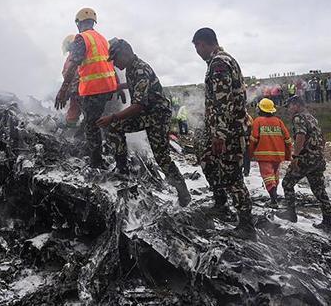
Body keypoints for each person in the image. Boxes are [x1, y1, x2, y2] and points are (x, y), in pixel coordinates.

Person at [97, 38, 191, 206]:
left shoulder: (140, 69)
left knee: (161, 157)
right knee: (115, 128)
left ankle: (183, 193)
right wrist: (121, 87)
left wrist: (113, 117)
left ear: (125, 54)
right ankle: (122, 170)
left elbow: (138, 105)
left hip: (157, 116)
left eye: (115, 59)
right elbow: (136, 85)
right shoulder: (131, 67)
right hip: (147, 113)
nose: (115, 64)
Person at [192, 27, 255, 239]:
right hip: (221, 128)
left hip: (229, 131)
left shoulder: (219, 63)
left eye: (197, 47)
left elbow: (223, 102)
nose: (197, 52)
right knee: (205, 157)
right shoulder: (219, 61)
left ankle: (246, 225)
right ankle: (221, 204)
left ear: (203, 43)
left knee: (233, 177)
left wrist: (219, 134)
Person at [55, 8, 125, 168]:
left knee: (91, 128)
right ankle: (119, 161)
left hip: (94, 90)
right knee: (103, 123)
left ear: (78, 23)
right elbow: (110, 64)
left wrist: (62, 90)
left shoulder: (82, 38)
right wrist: (117, 86)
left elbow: (73, 65)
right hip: (108, 89)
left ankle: (96, 164)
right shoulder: (101, 39)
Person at [276, 96, 331, 233]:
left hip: (305, 158)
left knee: (287, 183)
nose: (288, 109)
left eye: (289, 106)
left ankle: (291, 214)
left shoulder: (298, 118)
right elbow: (321, 138)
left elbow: (300, 136)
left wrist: (295, 156)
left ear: (296, 105)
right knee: (319, 189)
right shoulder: (312, 118)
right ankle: (327, 222)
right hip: (317, 159)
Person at [249, 98, 292, 208]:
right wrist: (287, 155)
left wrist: (249, 154)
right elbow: (287, 139)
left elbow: (253, 139)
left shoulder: (258, 121)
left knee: (268, 177)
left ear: (261, 109)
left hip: (264, 155)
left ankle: (273, 201)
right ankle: (274, 197)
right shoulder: (278, 121)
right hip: (278, 155)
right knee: (274, 176)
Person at [61, 34, 82, 127]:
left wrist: (66, 90)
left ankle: (70, 127)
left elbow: (72, 74)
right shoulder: (74, 55)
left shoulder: (73, 57)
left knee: (74, 111)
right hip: (78, 88)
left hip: (77, 89)